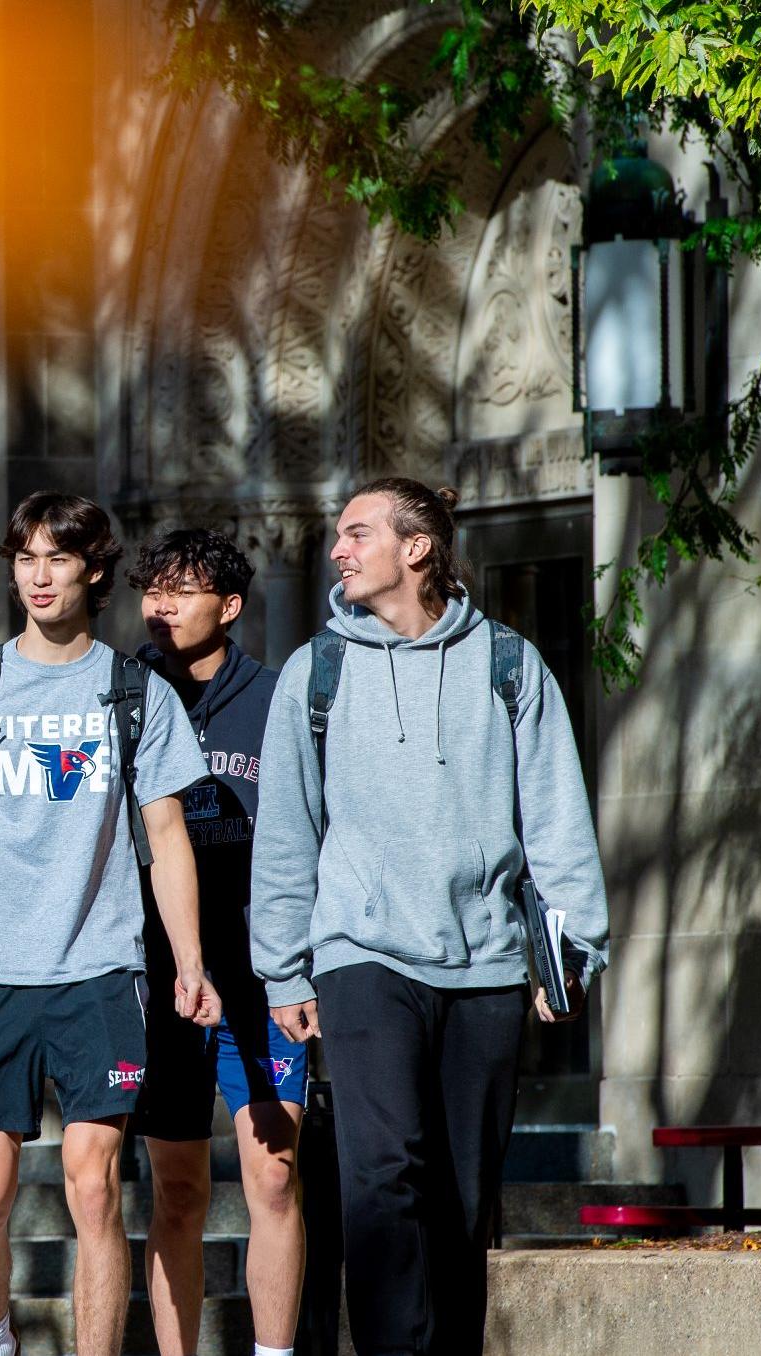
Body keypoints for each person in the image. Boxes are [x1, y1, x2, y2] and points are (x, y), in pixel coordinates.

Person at [249, 479, 608, 1356]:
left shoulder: (509, 664)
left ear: (416, 547)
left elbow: (555, 816)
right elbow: (287, 829)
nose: (337, 550)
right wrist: (282, 967)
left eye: (355, 533)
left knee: (462, 1192)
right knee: (379, 1176)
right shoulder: (316, 670)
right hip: (360, 954)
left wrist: (572, 949)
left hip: (484, 962)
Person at [0, 491, 221, 1356]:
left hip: (100, 975)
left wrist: (188, 961)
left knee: (93, 1188)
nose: (37, 575)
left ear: (93, 569)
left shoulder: (134, 690)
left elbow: (167, 837)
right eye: (24, 557)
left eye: (56, 558)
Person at [126, 529, 305, 1356]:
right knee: (177, 1190)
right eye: (150, 589)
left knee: (272, 1173)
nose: (159, 607)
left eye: (181, 590)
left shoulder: (278, 699)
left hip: (259, 968)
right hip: (158, 977)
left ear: (228, 608)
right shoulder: (120, 695)